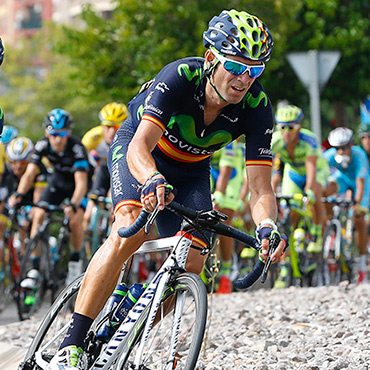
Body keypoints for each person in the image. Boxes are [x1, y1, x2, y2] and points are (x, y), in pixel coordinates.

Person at [49, 9, 287, 368]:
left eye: (254, 71)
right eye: (236, 67)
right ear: (211, 59)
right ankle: (72, 342)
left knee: (193, 259)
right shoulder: (180, 77)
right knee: (130, 227)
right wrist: (151, 179)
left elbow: (259, 188)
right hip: (142, 152)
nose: (244, 80)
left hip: (191, 170)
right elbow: (139, 147)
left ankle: (128, 315)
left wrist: (267, 226)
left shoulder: (257, 107)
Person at [12, 109, 91, 289]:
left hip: (76, 186)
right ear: (47, 132)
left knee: (74, 220)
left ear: (68, 132)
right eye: (54, 134)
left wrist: (73, 204)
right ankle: (34, 267)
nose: (58, 139)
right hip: (56, 183)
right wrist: (18, 194)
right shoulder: (42, 145)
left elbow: (81, 183)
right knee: (37, 214)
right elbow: (30, 173)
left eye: (62, 133)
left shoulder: (77, 148)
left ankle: (75, 261)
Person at [271, 105, 329, 253]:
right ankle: (295, 236)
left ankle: (317, 231)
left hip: (316, 170)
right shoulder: (275, 140)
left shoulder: (309, 139)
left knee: (314, 192)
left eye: (291, 127)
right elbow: (267, 165)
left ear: (299, 127)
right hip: (294, 173)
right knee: (290, 206)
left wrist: (308, 191)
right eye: (282, 127)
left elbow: (311, 168)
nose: (286, 132)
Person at [323, 127, 369, 284]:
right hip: (341, 181)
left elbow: (360, 182)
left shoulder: (359, 155)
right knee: (327, 190)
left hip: (359, 184)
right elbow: (321, 175)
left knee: (359, 217)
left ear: (351, 145)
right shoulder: (329, 156)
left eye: (344, 147)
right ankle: (331, 223)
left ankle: (362, 264)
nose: (340, 151)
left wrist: (356, 203)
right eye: (337, 148)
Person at [81, 102, 128, 231]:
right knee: (88, 213)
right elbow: (79, 160)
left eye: (117, 126)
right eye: (107, 126)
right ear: (102, 125)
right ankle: (88, 246)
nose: (111, 131)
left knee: (114, 203)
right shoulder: (93, 137)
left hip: (122, 172)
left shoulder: (131, 136)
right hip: (103, 170)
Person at [211, 138, 245, 293]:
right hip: (210, 172)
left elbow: (226, 172)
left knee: (224, 219)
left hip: (230, 175)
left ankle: (226, 265)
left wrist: (219, 194)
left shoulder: (228, 140)